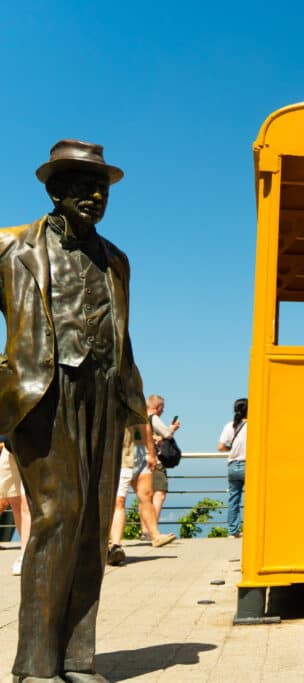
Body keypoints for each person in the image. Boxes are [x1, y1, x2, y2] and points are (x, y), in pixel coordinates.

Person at [0, 139, 152, 682]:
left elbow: (121, 335)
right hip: (44, 395)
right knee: (57, 516)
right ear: (54, 190)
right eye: (83, 187)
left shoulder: (117, 261)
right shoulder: (11, 246)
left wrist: (132, 402)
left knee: (90, 525)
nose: (94, 196)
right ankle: (35, 664)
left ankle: (76, 658)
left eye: (102, 189)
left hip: (103, 393)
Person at [108, 426, 175, 564]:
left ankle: (155, 536)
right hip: (120, 459)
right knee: (119, 501)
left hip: (140, 457)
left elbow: (145, 427)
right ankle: (115, 545)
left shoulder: (137, 408)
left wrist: (151, 454)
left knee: (146, 497)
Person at [147, 394, 180, 528]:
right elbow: (168, 434)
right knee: (159, 494)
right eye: (163, 407)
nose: (163, 410)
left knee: (146, 498)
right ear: (158, 407)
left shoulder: (141, 418)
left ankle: (146, 530)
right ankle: (152, 529)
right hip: (154, 462)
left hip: (141, 462)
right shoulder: (153, 418)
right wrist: (172, 429)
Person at [218, 398, 248, 538]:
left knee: (234, 499)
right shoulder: (253, 425)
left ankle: (232, 531)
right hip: (249, 465)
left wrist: (233, 448)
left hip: (233, 466)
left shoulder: (229, 426)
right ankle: (252, 528)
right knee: (252, 499)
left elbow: (221, 447)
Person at [0, 438, 30, 575]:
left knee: (26, 504)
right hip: (9, 447)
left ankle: (26, 556)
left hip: (30, 448)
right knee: (14, 501)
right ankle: (26, 553)